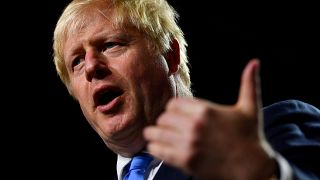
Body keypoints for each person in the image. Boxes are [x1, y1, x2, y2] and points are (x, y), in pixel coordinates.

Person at [52, 0, 320, 179]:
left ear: (170, 55)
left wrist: (264, 172)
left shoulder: (272, 132)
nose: (90, 67)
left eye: (110, 44)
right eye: (76, 61)